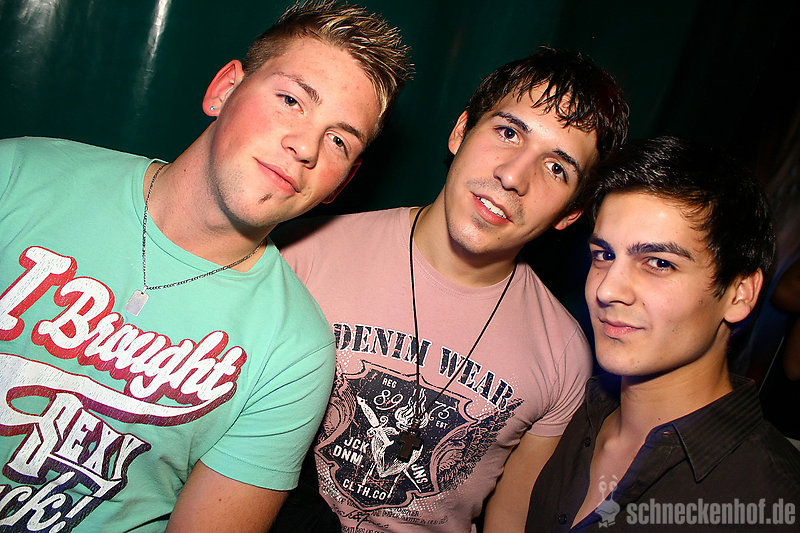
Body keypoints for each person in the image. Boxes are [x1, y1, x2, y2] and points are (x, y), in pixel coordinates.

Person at [0, 1, 411, 531]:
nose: (305, 146)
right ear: (225, 89)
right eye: (291, 100)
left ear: (344, 182)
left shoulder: (296, 351)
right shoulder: (19, 175)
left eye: (338, 140)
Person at [275, 47, 629, 532]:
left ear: (570, 213)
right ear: (461, 131)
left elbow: (510, 520)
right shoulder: (301, 255)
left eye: (556, 169)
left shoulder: (563, 355)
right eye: (508, 133)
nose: (512, 176)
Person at [526, 136, 800, 532]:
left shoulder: (770, 499)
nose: (607, 289)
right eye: (604, 255)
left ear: (739, 294)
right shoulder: (573, 414)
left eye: (658, 262)